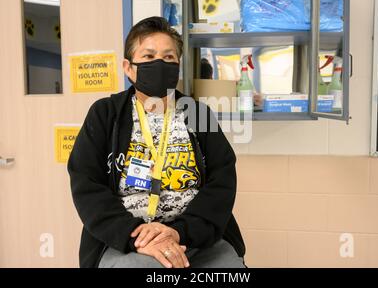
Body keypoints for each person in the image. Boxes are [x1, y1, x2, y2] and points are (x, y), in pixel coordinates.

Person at [67, 16, 245, 268]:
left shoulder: (197, 113)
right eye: (149, 57)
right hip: (129, 241)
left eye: (169, 58)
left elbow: (222, 181)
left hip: (194, 238)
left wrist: (179, 232)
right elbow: (87, 185)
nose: (160, 64)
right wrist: (137, 236)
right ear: (128, 68)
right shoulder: (105, 114)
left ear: (178, 66)